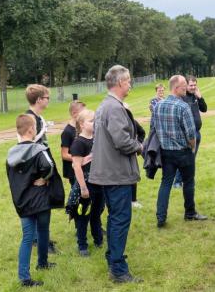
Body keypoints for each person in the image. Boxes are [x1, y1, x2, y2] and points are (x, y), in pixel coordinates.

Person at [88, 65, 143, 284]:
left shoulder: (105, 105)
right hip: (116, 173)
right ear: (120, 82)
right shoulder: (114, 108)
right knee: (120, 219)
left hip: (107, 172)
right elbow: (122, 142)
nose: (130, 84)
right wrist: (139, 146)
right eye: (128, 80)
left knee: (114, 219)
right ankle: (118, 270)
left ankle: (113, 259)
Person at [6, 114, 56, 287]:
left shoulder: (11, 154)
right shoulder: (38, 150)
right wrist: (45, 179)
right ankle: (42, 263)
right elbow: (49, 166)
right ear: (31, 130)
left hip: (22, 201)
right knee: (43, 231)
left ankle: (24, 277)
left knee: (27, 237)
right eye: (35, 126)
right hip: (40, 199)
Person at [151, 75, 207, 228]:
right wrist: (192, 147)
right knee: (189, 182)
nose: (186, 88)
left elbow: (154, 129)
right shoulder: (183, 107)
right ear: (176, 88)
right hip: (183, 152)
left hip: (166, 152)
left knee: (166, 183)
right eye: (183, 86)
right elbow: (191, 134)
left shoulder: (158, 106)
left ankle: (160, 217)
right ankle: (190, 213)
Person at [25, 84, 64, 254]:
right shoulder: (30, 118)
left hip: (43, 163)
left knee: (45, 202)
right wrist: (41, 174)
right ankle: (40, 240)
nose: (49, 100)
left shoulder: (37, 117)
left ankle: (40, 237)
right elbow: (28, 145)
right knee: (40, 204)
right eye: (47, 97)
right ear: (39, 100)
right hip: (37, 168)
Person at [71, 109, 105, 257]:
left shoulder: (98, 138)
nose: (95, 123)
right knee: (83, 216)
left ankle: (98, 239)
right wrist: (83, 188)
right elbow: (76, 166)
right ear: (82, 124)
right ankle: (82, 244)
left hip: (100, 182)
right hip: (87, 184)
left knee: (97, 213)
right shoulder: (79, 142)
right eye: (91, 121)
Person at [173, 75, 207, 188]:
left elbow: (204, 109)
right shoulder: (182, 97)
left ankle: (186, 180)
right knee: (185, 158)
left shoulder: (195, 96)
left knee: (191, 159)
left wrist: (200, 97)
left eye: (195, 85)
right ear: (186, 85)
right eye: (191, 85)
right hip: (186, 134)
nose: (193, 87)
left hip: (197, 133)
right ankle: (177, 181)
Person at [61, 100, 86, 186]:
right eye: (83, 113)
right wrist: (79, 159)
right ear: (74, 113)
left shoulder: (82, 127)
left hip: (84, 168)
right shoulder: (67, 132)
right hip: (74, 170)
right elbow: (64, 154)